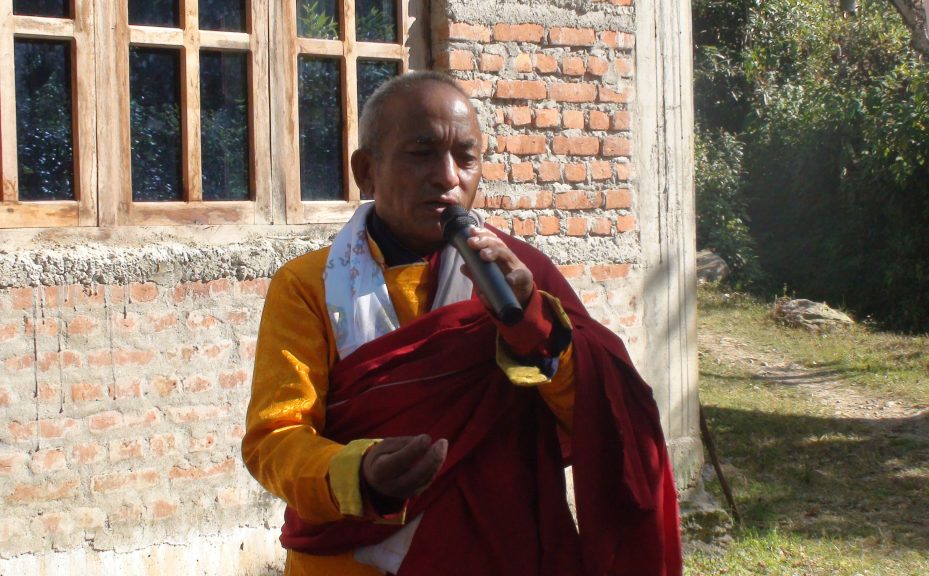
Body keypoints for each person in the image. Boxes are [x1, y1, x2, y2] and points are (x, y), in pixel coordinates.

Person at [242, 71, 681, 576]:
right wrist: (357, 473)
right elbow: (274, 438)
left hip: (502, 554)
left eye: (465, 158)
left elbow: (599, 416)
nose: (448, 177)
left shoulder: (520, 276)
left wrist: (531, 324)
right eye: (421, 153)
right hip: (352, 561)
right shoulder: (308, 286)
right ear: (366, 170)